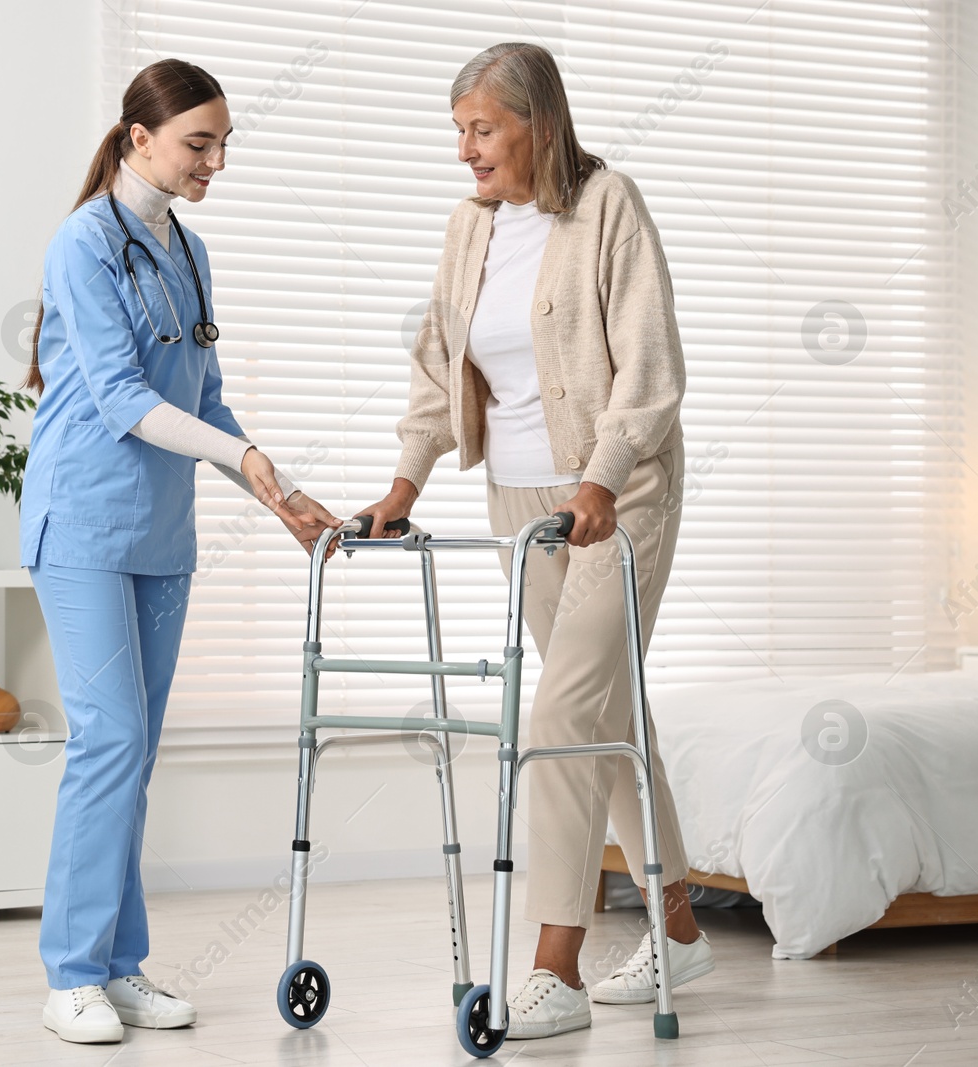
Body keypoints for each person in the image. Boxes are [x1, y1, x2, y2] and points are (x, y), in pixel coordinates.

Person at [358, 42, 714, 1039]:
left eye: (482, 129)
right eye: (458, 131)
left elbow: (648, 366)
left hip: (618, 494)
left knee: (562, 712)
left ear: (536, 124)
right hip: (519, 504)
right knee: (602, 711)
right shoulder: (467, 229)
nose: (466, 152)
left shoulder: (607, 206)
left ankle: (553, 964)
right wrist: (402, 483)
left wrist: (602, 477)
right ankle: (681, 930)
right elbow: (440, 374)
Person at [20, 59, 340, 1045]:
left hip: (162, 536)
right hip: (80, 523)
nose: (215, 160)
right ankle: (70, 972)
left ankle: (119, 966)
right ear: (137, 138)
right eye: (199, 142)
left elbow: (201, 402)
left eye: (222, 142)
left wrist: (273, 485)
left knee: (134, 753)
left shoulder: (190, 253)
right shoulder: (83, 242)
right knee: (108, 739)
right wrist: (240, 454)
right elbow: (120, 398)